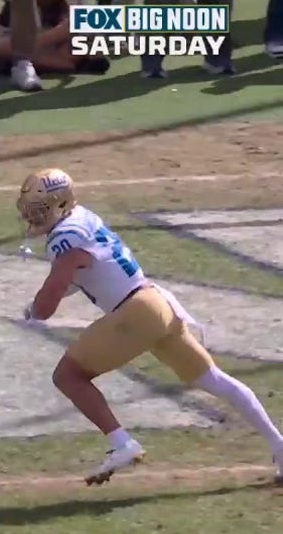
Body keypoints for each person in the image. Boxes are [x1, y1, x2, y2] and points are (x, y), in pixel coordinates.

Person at [17, 168, 283, 485]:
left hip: (135, 312)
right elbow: (88, 273)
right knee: (213, 378)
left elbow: (49, 305)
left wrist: (35, 309)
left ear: (59, 204)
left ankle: (122, 444)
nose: (33, 214)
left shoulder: (65, 238)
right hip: (157, 303)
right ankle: (279, 445)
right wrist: (40, 303)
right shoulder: (82, 218)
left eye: (40, 207)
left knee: (68, 375)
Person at [0, 0, 108, 77]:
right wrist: (55, 35)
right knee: (7, 49)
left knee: (76, 48)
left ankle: (48, 64)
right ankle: (64, 66)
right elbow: (2, 46)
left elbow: (91, 33)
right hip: (22, 43)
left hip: (53, 47)